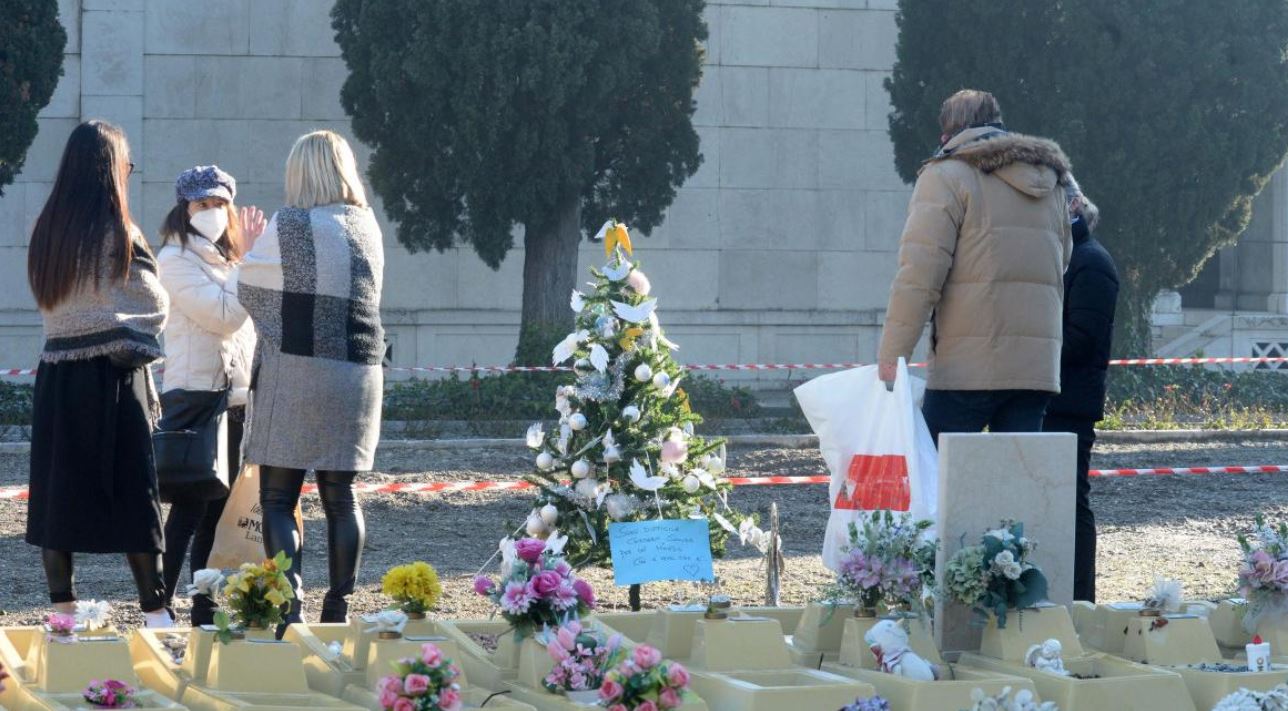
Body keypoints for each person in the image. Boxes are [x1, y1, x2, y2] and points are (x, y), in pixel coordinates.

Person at [232, 130, 384, 627]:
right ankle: (338, 607)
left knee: (277, 497)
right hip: (358, 372)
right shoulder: (368, 226)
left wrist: (247, 250)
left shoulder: (290, 223)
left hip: (297, 371)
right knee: (343, 497)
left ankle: (290, 608)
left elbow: (248, 289)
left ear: (301, 173)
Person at [25, 120, 172, 627]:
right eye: (126, 165)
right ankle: (155, 613)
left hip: (58, 375)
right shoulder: (120, 231)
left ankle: (62, 616)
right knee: (136, 495)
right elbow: (153, 302)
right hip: (113, 377)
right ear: (113, 169)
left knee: (57, 497)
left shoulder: (48, 229)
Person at [877, 89, 1074, 442]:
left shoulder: (947, 175)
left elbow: (918, 277)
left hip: (966, 369)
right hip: (1035, 369)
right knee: (1016, 483)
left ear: (947, 134)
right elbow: (1062, 261)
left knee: (938, 480)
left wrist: (893, 359)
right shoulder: (1052, 182)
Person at [156, 165, 266, 625]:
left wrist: (248, 262)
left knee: (218, 516)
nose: (212, 212)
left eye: (220, 203)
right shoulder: (174, 259)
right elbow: (224, 315)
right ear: (185, 209)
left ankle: (204, 604)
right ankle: (158, 602)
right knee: (187, 507)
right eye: (203, 204)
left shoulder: (229, 261)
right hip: (195, 400)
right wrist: (255, 263)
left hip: (235, 402)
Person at [1043, 177, 1118, 602]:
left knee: (1071, 505)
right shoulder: (1066, 258)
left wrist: (1032, 346)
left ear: (1073, 205)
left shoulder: (1091, 262)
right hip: (1052, 397)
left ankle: (1079, 598)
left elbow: (1082, 338)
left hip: (1069, 403)